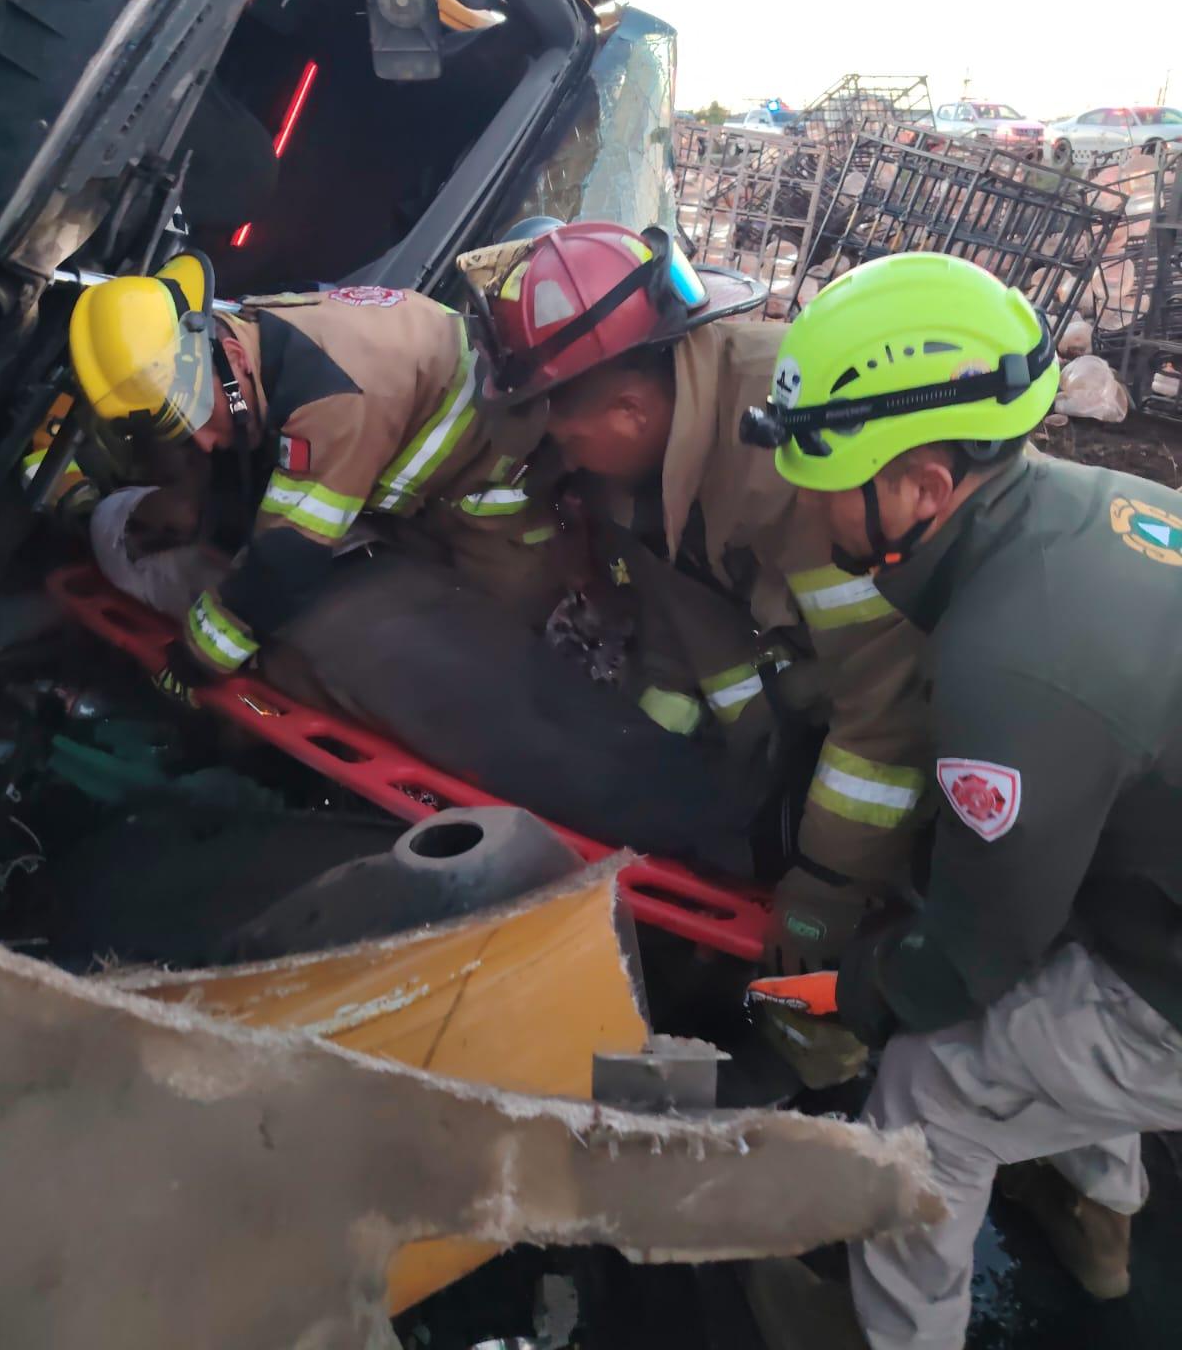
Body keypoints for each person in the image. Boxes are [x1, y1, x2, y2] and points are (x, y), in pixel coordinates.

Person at [744, 250, 1182, 1346]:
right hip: (1150, 891)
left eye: (825, 483)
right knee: (1055, 988)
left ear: (925, 485)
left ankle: (891, 1330)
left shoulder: (1012, 661)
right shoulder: (1107, 506)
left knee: (928, 1084)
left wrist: (855, 982)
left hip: (1167, 979)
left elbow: (971, 965)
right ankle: (1094, 1215)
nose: (807, 510)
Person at [67, 247, 758, 873]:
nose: (211, 441)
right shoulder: (266, 328)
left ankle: (708, 813)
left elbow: (283, 563)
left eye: (196, 417)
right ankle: (709, 809)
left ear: (207, 357)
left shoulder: (333, 396)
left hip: (490, 495)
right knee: (506, 695)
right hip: (422, 527)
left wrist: (190, 663)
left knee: (519, 684)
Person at [463, 218, 929, 1085]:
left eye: (563, 437)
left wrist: (826, 885)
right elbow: (698, 643)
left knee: (906, 941)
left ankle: (847, 1081)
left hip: (947, 730)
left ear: (630, 409)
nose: (558, 462)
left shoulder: (790, 455)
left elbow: (888, 704)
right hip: (846, 700)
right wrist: (652, 775)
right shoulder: (655, 465)